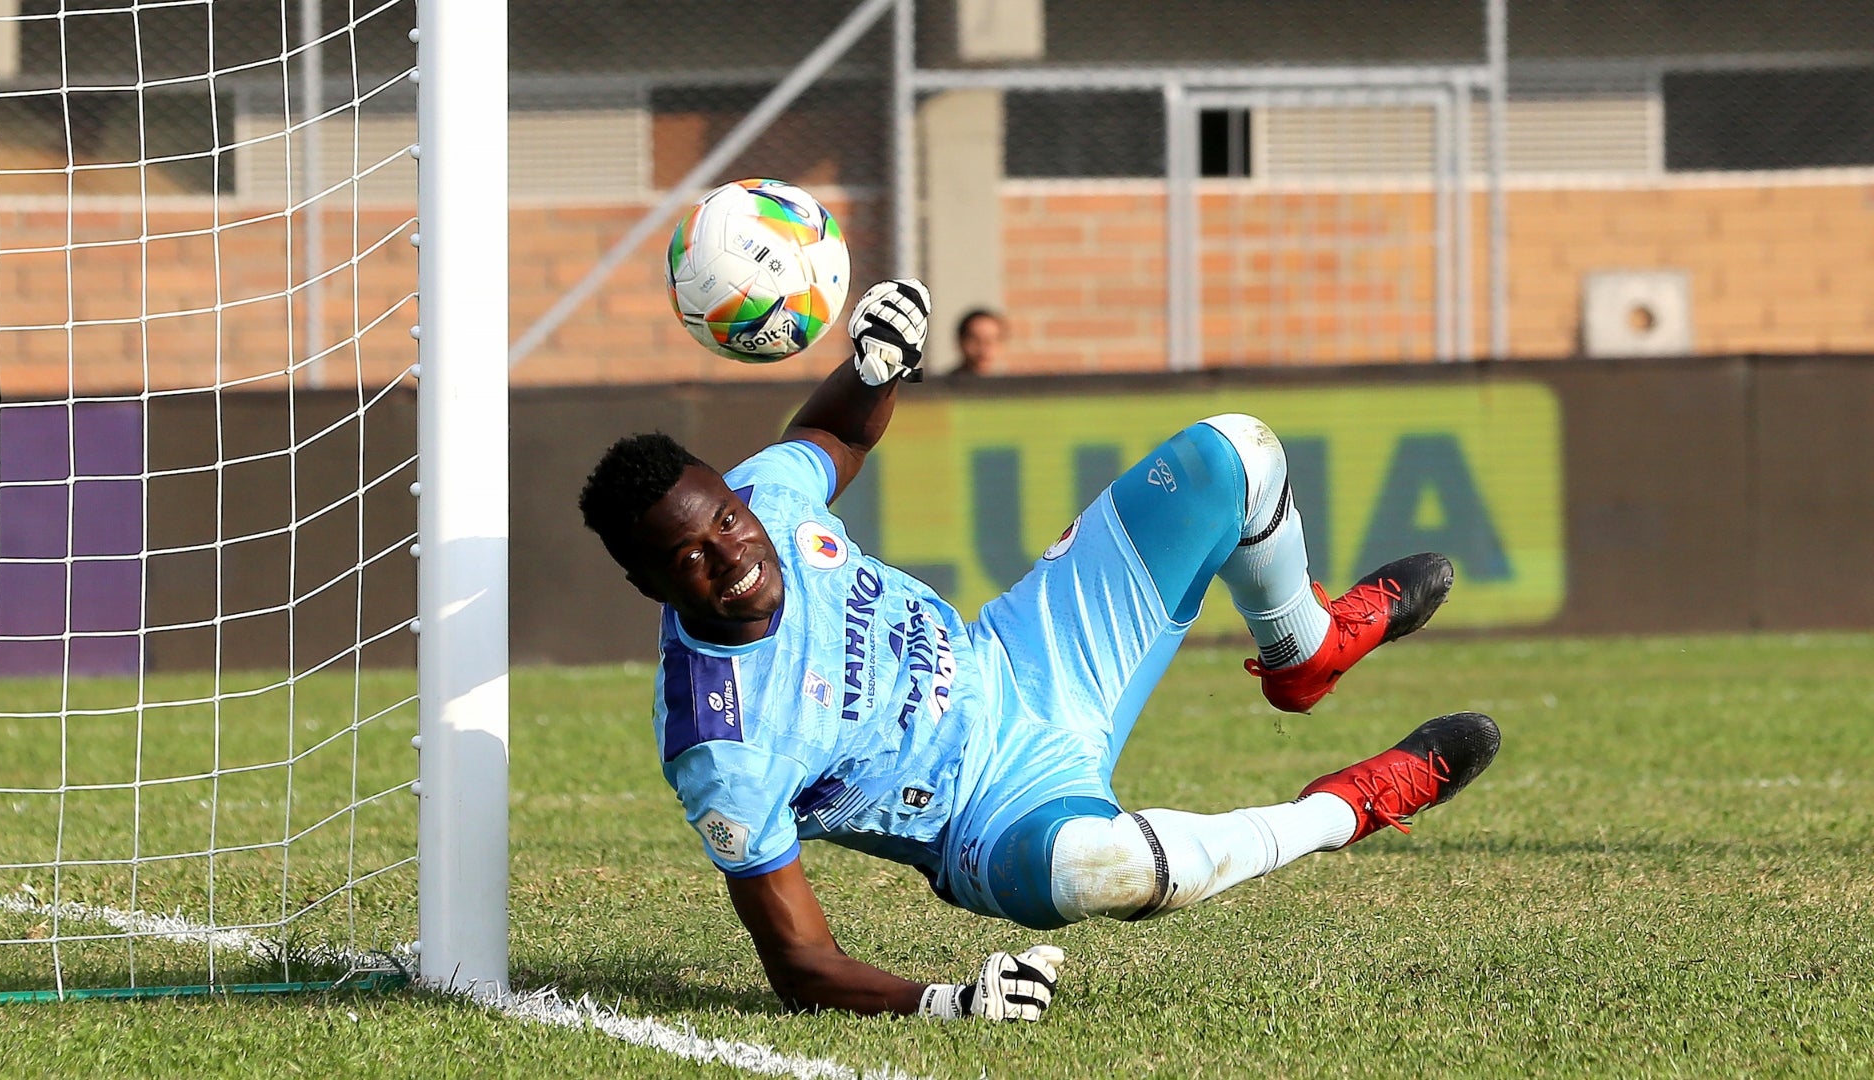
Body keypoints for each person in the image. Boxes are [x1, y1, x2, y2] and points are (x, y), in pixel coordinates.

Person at [577, 279, 1501, 1022]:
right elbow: (800, 964)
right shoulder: (720, 742)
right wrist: (947, 1002)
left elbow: (829, 436)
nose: (730, 556)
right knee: (1109, 869)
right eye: (686, 560)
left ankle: (1308, 649)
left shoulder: (764, 499)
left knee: (1237, 451)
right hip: (987, 817)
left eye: (728, 523)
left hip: (1023, 656)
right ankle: (1351, 805)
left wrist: (878, 363)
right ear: (648, 588)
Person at [951, 308, 1004, 377]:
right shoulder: (939, 386)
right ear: (961, 342)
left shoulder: (1008, 386)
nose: (983, 348)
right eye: (975, 340)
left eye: (990, 341)